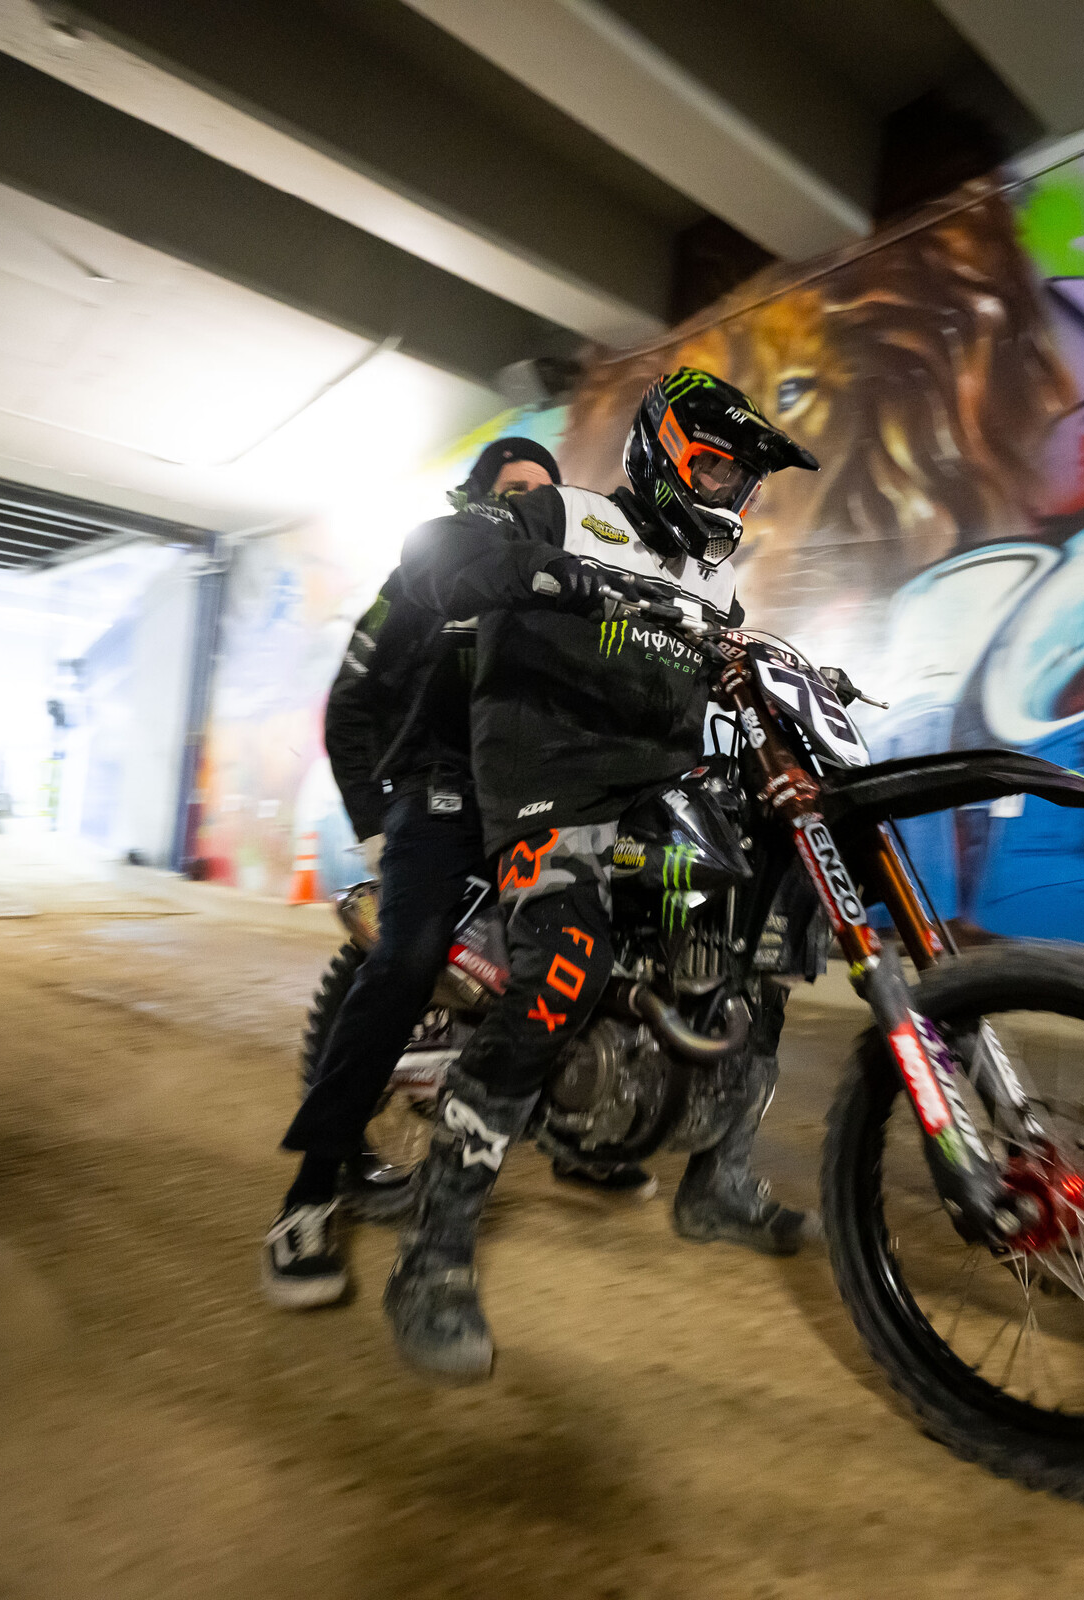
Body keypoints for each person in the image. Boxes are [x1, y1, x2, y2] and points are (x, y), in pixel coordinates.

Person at [382, 368, 819, 1382]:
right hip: (553, 789)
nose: (727, 495)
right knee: (567, 963)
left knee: (760, 952)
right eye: (713, 467)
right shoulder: (566, 516)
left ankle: (718, 1180)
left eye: (742, 483)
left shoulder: (715, 588)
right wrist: (541, 571)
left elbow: (730, 669)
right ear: (661, 453)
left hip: (658, 796)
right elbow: (438, 557)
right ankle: (433, 1253)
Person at [262, 438, 562, 1308]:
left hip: (533, 804)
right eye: (511, 490)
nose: (528, 506)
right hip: (439, 796)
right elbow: (350, 699)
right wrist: (373, 828)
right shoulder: (425, 575)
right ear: (474, 498)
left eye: (543, 494)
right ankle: (311, 1191)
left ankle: (598, 1135)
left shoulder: (558, 588)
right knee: (406, 957)